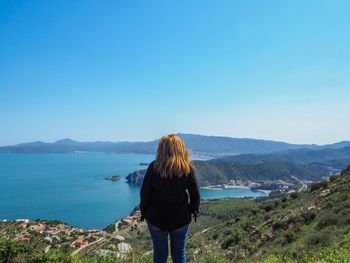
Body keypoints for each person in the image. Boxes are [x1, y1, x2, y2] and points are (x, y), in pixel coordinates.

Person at [140, 134, 200, 263]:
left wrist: (145, 212)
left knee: (160, 255)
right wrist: (192, 210)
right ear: (180, 148)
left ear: (161, 149)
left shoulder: (153, 167)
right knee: (179, 254)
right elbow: (195, 195)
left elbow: (144, 193)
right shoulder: (187, 168)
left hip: (156, 217)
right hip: (180, 218)